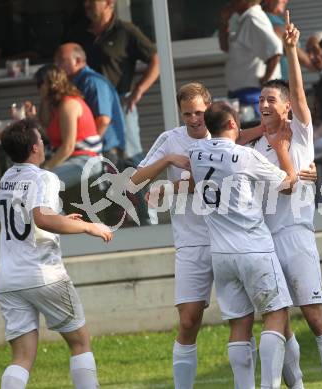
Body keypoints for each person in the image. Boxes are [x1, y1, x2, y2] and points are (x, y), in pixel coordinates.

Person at [242, 13, 322, 388]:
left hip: (296, 237)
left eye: (271, 99)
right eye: (260, 99)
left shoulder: (298, 134)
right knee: (278, 322)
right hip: (263, 242)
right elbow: (227, 139)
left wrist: (289, 50)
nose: (264, 103)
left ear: (285, 107)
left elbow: (299, 94)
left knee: (315, 316)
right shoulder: (254, 144)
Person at [0, 119, 113, 389]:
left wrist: (62, 219)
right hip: (43, 274)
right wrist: (87, 226)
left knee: (22, 356)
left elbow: (22, 220)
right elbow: (42, 219)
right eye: (41, 141)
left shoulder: (6, 179)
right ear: (35, 148)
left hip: (9, 279)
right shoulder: (44, 177)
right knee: (80, 342)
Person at [189, 101, 296, 389]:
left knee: (239, 325)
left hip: (221, 256)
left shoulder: (195, 153)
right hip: (254, 248)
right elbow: (288, 184)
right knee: (276, 316)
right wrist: (283, 149)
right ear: (234, 123)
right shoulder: (245, 156)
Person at [130, 82, 213, 389]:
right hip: (190, 241)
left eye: (200, 112)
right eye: (188, 114)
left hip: (229, 239)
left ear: (209, 109)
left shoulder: (221, 135)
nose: (194, 119)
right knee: (189, 321)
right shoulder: (170, 139)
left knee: (248, 319)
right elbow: (132, 183)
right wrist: (167, 161)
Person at [67, 0, 160, 160]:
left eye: (92, 1)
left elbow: (155, 61)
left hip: (121, 102)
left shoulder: (125, 31)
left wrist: (138, 90)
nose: (86, 4)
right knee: (94, 159)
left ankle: (138, 186)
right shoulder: (78, 33)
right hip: (88, 106)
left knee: (130, 157)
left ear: (109, 3)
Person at [31, 64, 103, 190]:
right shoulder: (56, 106)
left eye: (40, 84)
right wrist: (44, 100)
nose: (38, 88)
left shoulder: (68, 105)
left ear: (51, 83)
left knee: (43, 184)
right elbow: (45, 124)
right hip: (70, 159)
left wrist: (46, 169)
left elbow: (68, 147)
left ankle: (56, 211)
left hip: (84, 161)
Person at [55, 43, 125, 163]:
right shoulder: (76, 82)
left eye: (61, 61)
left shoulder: (92, 81)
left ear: (77, 60)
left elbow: (103, 120)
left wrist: (90, 151)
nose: (57, 66)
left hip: (105, 152)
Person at [219, 0, 282, 117]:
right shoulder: (244, 19)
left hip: (253, 97)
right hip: (243, 96)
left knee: (256, 133)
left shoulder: (253, 19)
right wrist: (224, 21)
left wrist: (265, 80)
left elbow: (275, 49)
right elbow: (225, 46)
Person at [262, 0, 314, 80]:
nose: (285, 1)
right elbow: (290, 46)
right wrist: (312, 64)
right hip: (279, 85)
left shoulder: (272, 19)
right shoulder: (266, 19)